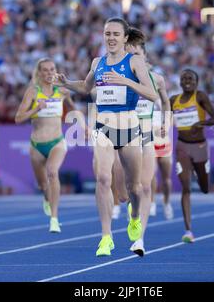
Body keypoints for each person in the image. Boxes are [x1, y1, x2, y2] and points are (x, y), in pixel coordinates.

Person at [57, 17, 158, 256]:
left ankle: (134, 218)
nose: (110, 38)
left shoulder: (134, 62)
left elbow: (152, 94)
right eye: (107, 34)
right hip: (103, 127)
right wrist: (67, 83)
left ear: (125, 38)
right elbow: (85, 86)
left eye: (115, 34)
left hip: (130, 129)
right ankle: (106, 237)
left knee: (134, 187)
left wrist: (125, 81)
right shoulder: (98, 62)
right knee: (103, 178)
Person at [15, 58, 82, 233]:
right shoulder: (33, 92)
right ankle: (46, 198)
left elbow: (74, 110)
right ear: (39, 73)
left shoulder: (62, 92)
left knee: (53, 172)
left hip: (57, 142)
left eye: (52, 69)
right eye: (45, 70)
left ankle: (54, 218)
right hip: (37, 145)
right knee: (43, 185)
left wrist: (83, 126)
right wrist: (36, 109)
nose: (49, 73)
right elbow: (18, 118)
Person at [124, 27, 172, 255]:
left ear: (145, 57)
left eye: (137, 54)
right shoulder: (120, 78)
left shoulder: (157, 79)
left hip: (147, 137)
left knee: (144, 186)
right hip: (123, 136)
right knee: (129, 189)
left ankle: (140, 239)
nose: (134, 59)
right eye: (129, 55)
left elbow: (166, 102)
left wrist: (166, 122)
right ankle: (131, 214)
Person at [170, 68, 214, 243]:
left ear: (196, 82)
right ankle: (188, 229)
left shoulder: (200, 97)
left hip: (200, 146)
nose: (187, 81)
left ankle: (201, 172)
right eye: (184, 78)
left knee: (205, 188)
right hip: (182, 146)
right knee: (185, 187)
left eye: (190, 78)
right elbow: (164, 119)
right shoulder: (173, 100)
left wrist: (200, 123)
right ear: (180, 82)